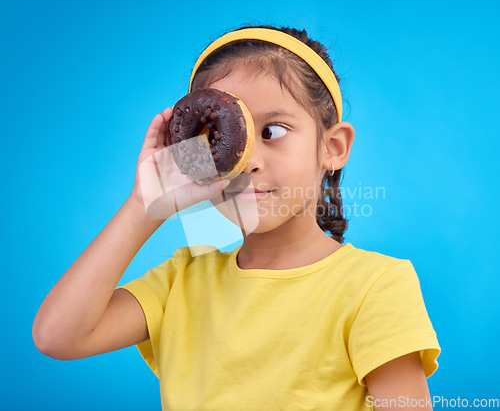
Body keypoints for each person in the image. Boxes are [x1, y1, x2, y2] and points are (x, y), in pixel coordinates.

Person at [33, 24, 440, 410]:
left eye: (274, 131)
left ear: (331, 147)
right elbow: (57, 337)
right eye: (220, 138)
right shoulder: (182, 282)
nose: (249, 163)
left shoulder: (374, 286)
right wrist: (146, 204)